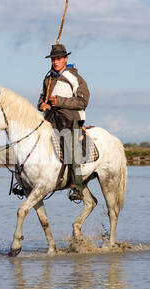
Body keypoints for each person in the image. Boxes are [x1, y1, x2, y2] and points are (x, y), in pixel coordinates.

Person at [37, 43, 90, 201]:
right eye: (53, 59)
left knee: (70, 143)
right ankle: (29, 179)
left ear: (66, 59)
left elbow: (83, 101)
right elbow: (41, 98)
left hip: (70, 119)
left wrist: (59, 101)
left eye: (59, 58)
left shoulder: (75, 78)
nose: (55, 61)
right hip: (50, 119)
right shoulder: (48, 78)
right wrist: (42, 105)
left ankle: (78, 187)